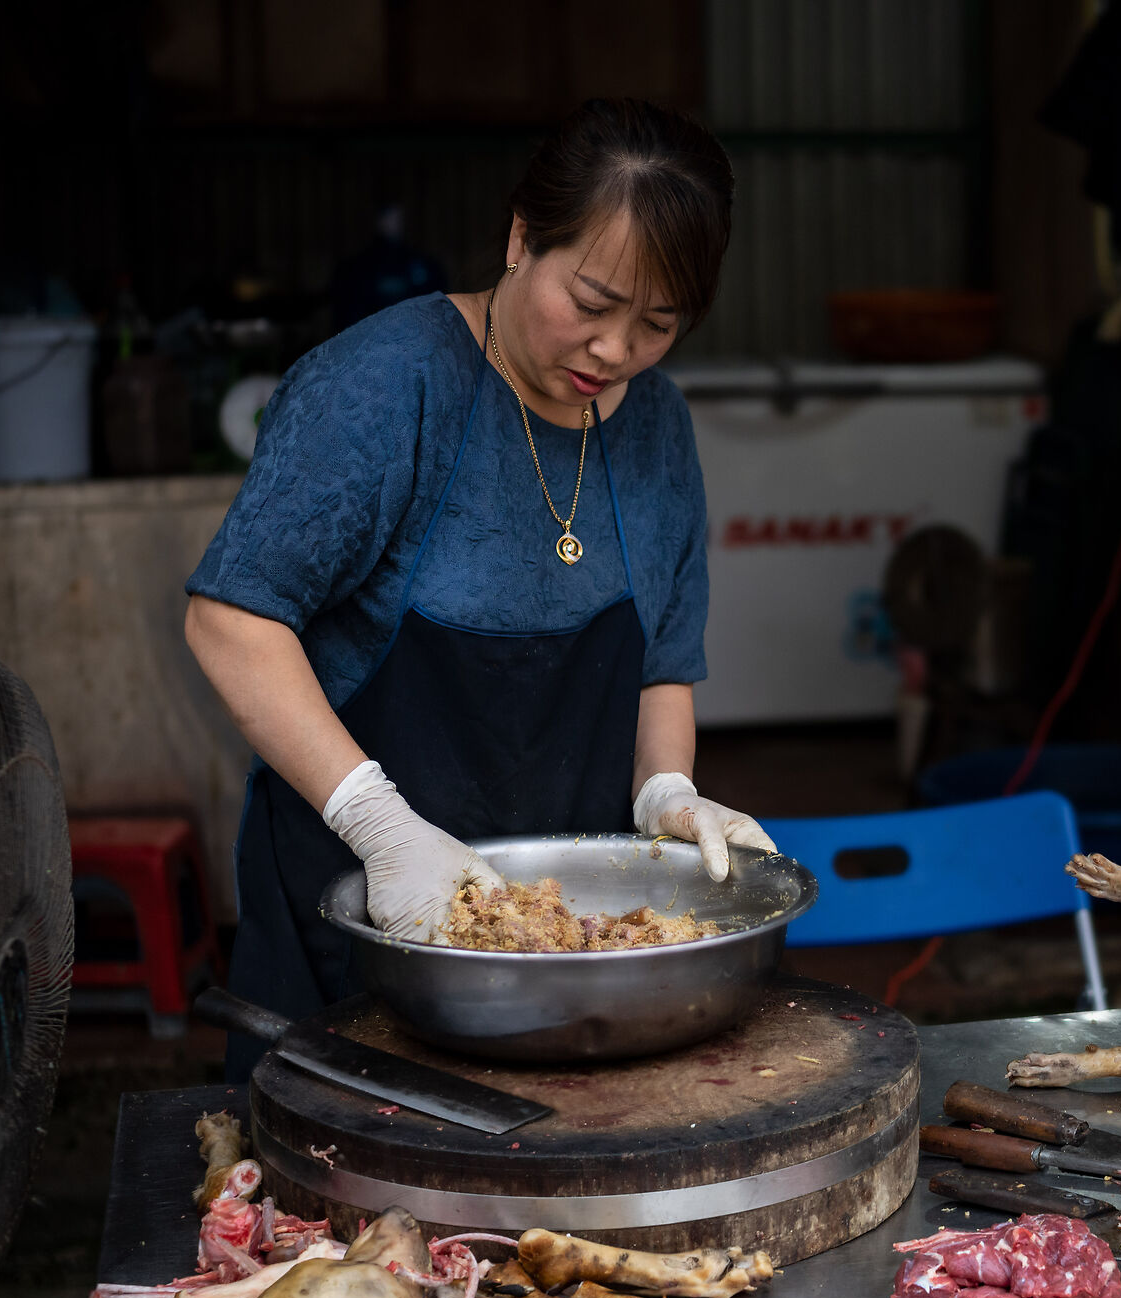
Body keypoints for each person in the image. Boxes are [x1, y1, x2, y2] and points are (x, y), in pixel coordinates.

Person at [185, 99, 773, 1079]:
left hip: (561, 961)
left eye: (658, 323)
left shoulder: (657, 429)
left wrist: (668, 793)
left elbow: (664, 663)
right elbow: (230, 619)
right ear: (519, 238)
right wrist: (382, 825)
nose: (614, 350)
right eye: (591, 303)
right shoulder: (386, 388)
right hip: (363, 939)